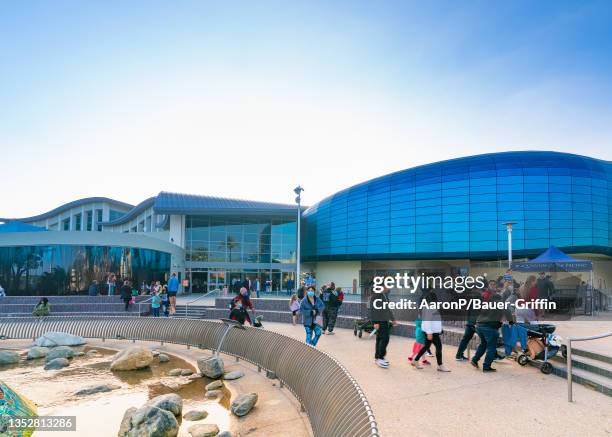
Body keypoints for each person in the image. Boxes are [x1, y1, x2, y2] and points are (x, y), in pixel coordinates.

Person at [471, 292, 511, 372]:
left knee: (483, 344)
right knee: (491, 348)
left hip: (479, 326)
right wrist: (511, 322)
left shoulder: (487, 303)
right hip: (490, 328)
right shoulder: (500, 303)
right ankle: (486, 366)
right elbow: (508, 312)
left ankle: (475, 359)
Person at [412, 292, 450, 372]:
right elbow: (427, 321)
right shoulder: (430, 308)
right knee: (438, 347)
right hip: (432, 332)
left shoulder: (428, 307)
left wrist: (439, 329)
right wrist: (429, 332)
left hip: (431, 331)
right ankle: (440, 365)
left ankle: (415, 360)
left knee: (426, 346)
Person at [369, 287, 397, 368]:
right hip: (380, 321)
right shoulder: (376, 296)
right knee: (385, 338)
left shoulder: (384, 295)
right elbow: (373, 309)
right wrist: (375, 322)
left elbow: (387, 309)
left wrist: (393, 319)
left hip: (385, 320)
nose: (389, 287)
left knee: (380, 339)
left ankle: (378, 357)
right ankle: (380, 358)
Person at [455, 287, 481, 361]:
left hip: (469, 323)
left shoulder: (471, 300)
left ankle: (459, 355)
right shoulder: (478, 300)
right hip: (475, 324)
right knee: (487, 339)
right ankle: (493, 355)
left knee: (465, 339)